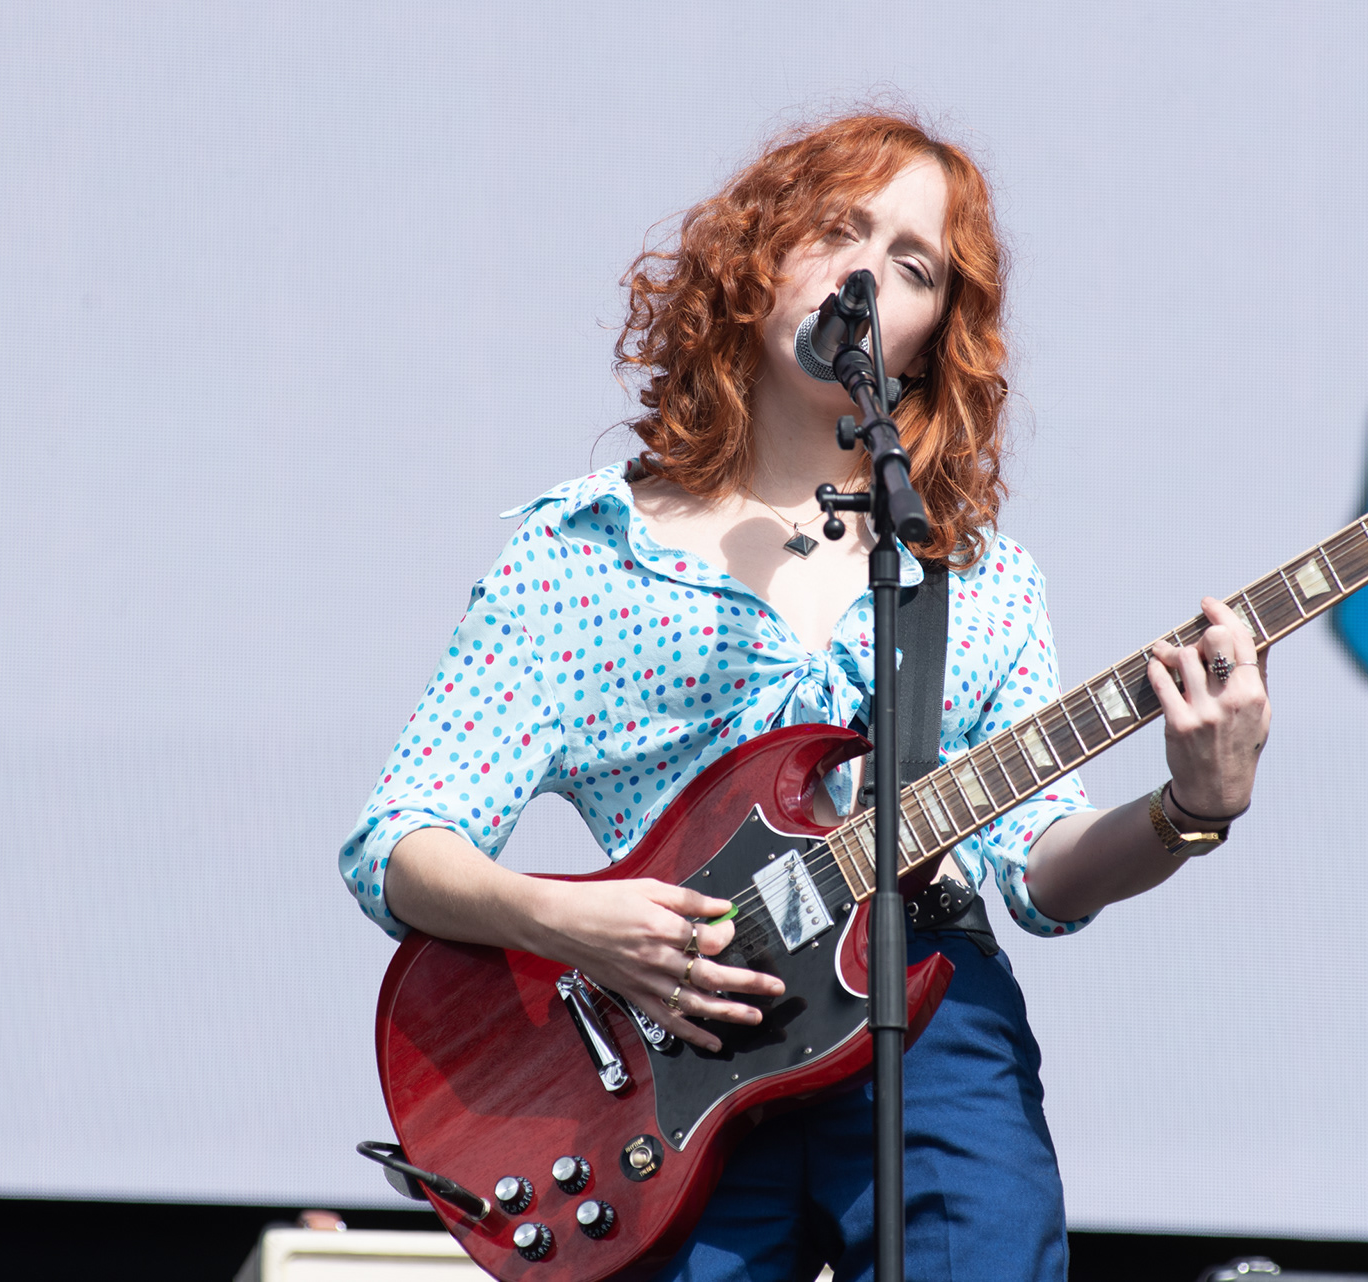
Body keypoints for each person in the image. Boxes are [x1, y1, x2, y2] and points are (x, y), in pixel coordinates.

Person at [339, 111, 1271, 1282]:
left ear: (935, 338)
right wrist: (571, 920)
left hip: (923, 1018)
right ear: (760, 255)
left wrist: (1186, 814)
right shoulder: (583, 553)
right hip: (664, 1058)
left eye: (915, 264)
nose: (868, 273)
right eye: (841, 228)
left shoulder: (968, 578)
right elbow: (398, 843)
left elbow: (1035, 866)